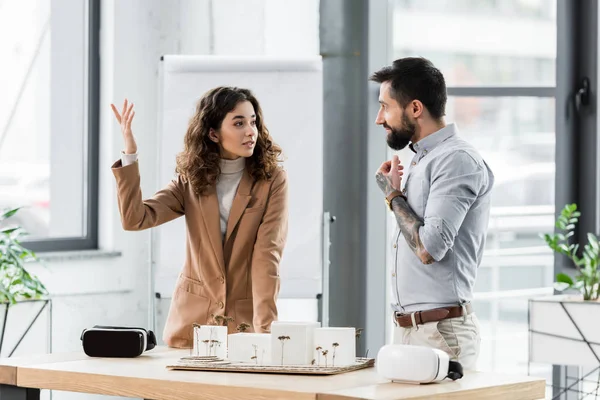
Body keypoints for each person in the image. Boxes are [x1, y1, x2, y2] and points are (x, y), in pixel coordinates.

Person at [110, 86, 288, 348]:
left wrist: (266, 334)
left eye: (253, 122)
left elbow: (266, 256)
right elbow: (135, 219)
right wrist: (130, 155)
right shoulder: (190, 182)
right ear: (213, 133)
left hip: (242, 325)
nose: (251, 131)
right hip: (191, 322)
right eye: (238, 123)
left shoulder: (271, 181)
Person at [370, 57, 494, 370]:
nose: (379, 119)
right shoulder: (423, 159)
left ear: (414, 108)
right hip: (412, 332)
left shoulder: (455, 160)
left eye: (385, 107)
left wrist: (392, 195)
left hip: (441, 335)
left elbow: (429, 248)